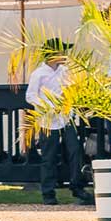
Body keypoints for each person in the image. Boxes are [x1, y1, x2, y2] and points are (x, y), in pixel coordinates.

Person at [25, 40, 87, 205]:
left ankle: (77, 186)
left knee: (75, 151)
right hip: (48, 120)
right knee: (49, 157)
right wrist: (48, 106)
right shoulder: (39, 74)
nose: (65, 55)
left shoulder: (65, 71)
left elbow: (72, 89)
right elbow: (30, 96)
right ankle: (48, 193)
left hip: (66, 119)